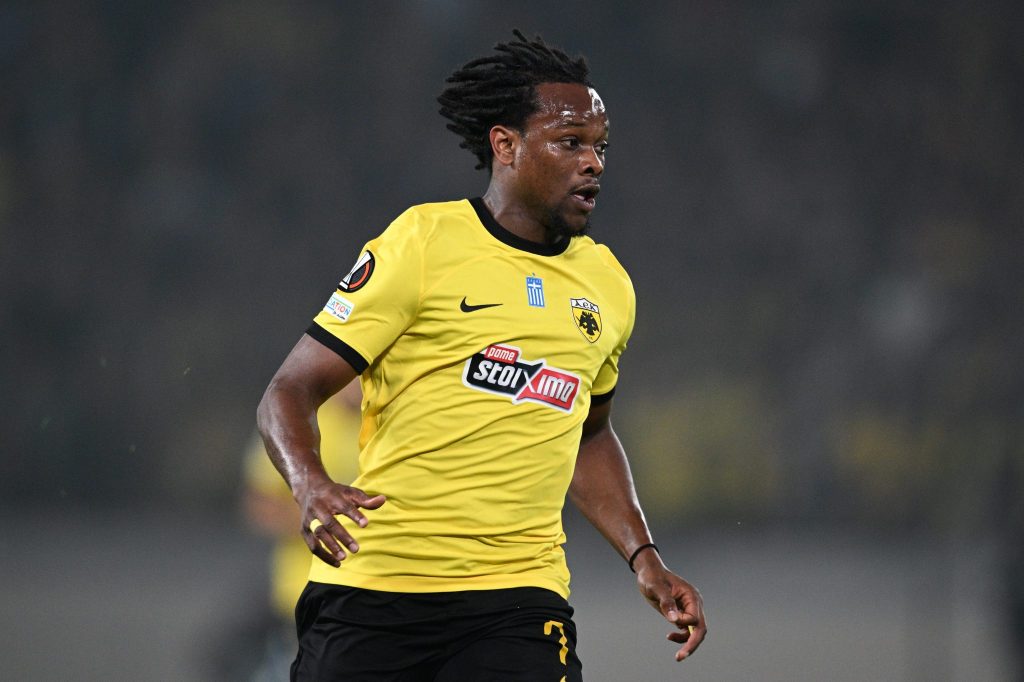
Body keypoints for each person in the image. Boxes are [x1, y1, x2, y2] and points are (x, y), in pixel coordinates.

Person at [257, 29, 706, 681]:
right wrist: (309, 483)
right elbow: (290, 390)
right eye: (571, 142)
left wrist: (645, 558)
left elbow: (589, 434)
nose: (594, 163)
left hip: (519, 602)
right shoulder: (423, 243)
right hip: (379, 591)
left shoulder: (607, 284)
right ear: (505, 145)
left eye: (601, 147)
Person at [241, 382, 362, 681]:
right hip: (307, 598)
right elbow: (260, 505)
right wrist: (330, 519)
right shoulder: (302, 419)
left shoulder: (389, 421)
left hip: (373, 596)